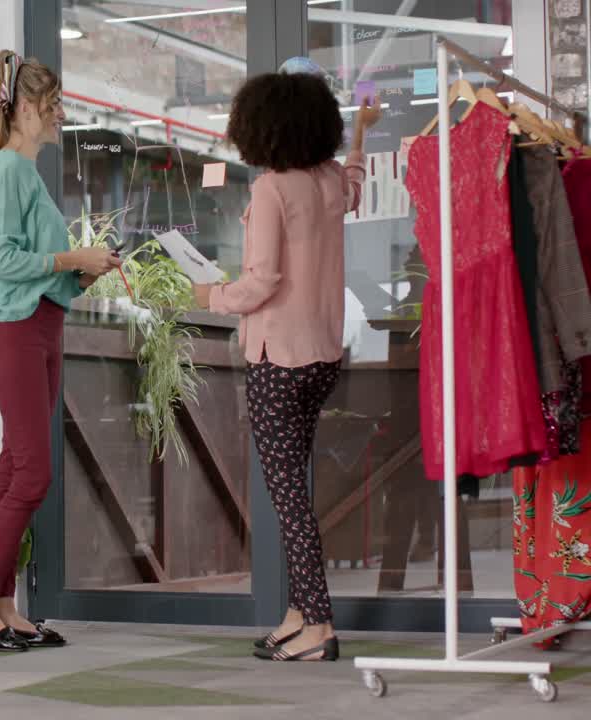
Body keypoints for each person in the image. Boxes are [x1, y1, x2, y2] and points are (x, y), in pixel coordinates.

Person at [192, 72, 382, 661]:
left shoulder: (272, 189)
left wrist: (207, 296)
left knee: (289, 500)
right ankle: (299, 614)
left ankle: (319, 625)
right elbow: (355, 184)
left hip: (278, 360)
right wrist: (362, 133)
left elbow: (261, 282)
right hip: (322, 355)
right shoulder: (328, 180)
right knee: (294, 489)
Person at [0, 50, 121, 652]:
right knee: (32, 473)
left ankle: (2, 604)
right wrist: (73, 257)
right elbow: (2, 263)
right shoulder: (5, 170)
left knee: (15, 468)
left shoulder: (25, 174)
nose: (60, 115)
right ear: (23, 108)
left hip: (40, 327)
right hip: (17, 332)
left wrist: (83, 274)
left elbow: (40, 272)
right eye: (52, 105)